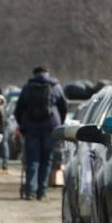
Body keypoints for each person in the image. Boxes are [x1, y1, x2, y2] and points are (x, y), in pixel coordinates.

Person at [13, 66, 67, 200]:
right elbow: (63, 107)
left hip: (31, 128)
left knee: (32, 160)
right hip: (50, 127)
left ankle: (30, 191)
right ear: (47, 74)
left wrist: (23, 125)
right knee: (46, 160)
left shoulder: (27, 88)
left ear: (34, 74)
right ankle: (42, 192)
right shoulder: (56, 87)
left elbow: (18, 109)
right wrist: (59, 123)